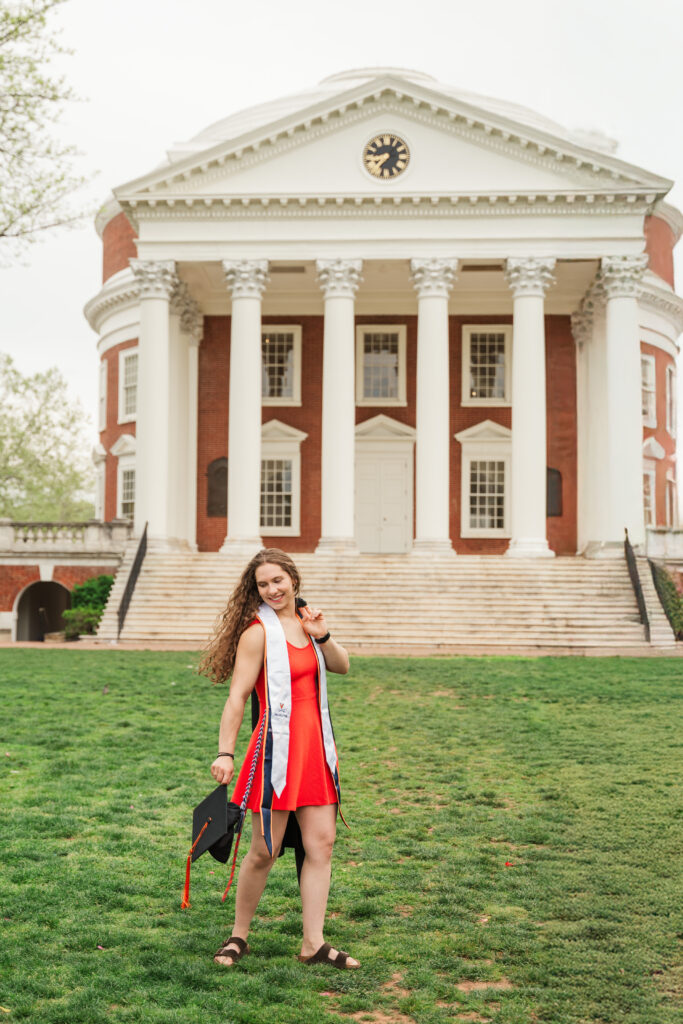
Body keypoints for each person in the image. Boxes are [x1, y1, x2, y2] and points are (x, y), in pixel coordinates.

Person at [199, 548, 360, 971]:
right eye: (263, 584)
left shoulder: (308, 625)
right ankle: (239, 935)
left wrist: (322, 633)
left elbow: (342, 666)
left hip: (315, 750)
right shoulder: (257, 634)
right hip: (275, 750)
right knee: (264, 850)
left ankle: (313, 943)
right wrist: (225, 751)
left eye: (277, 580)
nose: (272, 589)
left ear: (293, 578)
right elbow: (237, 697)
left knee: (321, 844)